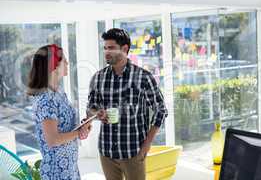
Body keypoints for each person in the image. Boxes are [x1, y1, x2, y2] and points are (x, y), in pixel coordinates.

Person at [87, 28, 168, 180]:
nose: (106, 52)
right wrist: (98, 113)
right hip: (107, 151)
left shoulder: (143, 77)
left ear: (124, 49)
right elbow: (90, 107)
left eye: (111, 48)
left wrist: (147, 143)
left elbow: (161, 110)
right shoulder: (98, 78)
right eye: (105, 48)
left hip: (133, 152)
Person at [27, 44, 91, 180]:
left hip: (70, 168)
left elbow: (66, 128)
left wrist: (84, 126)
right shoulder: (45, 99)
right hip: (56, 173)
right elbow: (53, 140)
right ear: (54, 66)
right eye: (64, 60)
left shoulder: (59, 91)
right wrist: (78, 133)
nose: (68, 63)